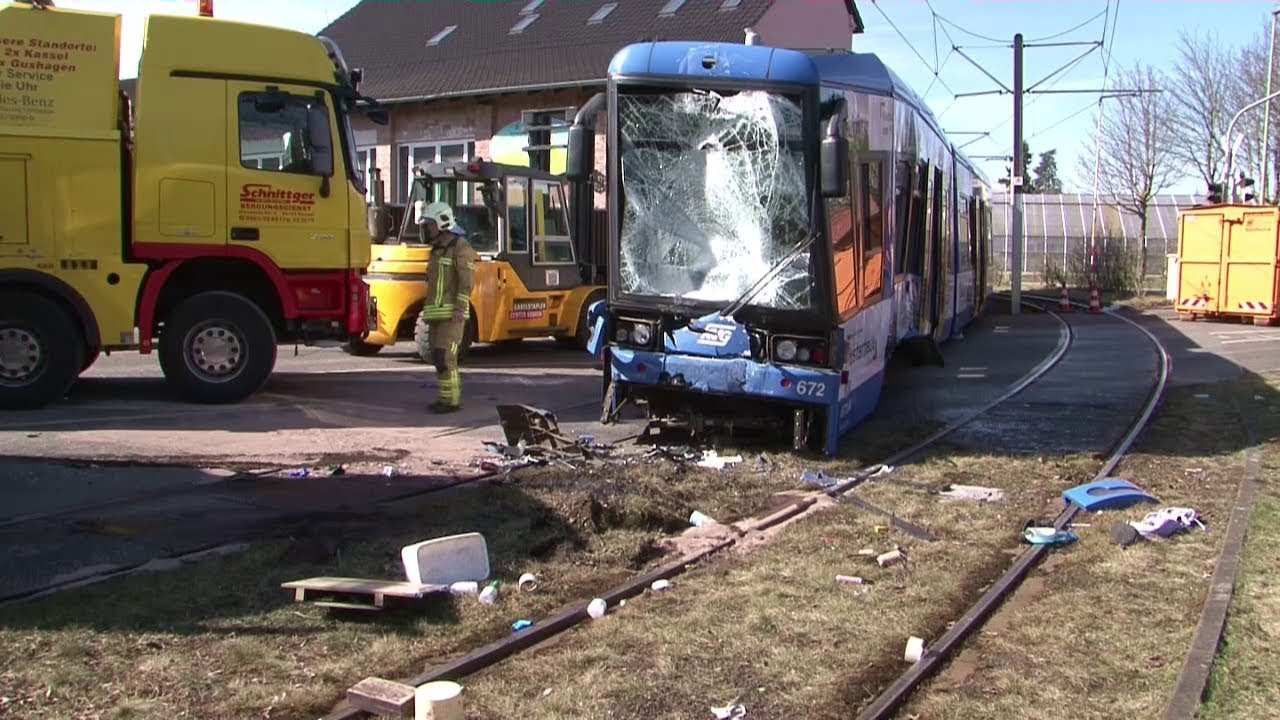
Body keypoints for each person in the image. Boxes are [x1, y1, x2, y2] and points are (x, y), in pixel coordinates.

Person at [416, 201, 478, 413]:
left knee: (446, 357)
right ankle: (444, 398)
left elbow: (466, 281)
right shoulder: (437, 250)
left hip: (452, 314)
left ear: (442, 223)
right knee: (437, 357)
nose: (427, 229)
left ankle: (451, 401)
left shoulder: (460, 247)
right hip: (436, 313)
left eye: (430, 224)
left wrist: (460, 308)